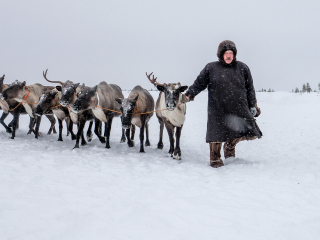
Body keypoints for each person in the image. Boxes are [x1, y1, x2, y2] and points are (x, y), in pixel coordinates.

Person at [185, 40, 262, 168]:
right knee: (216, 133)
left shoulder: (242, 68)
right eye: (225, 53)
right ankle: (215, 158)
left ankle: (230, 145)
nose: (228, 56)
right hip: (217, 107)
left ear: (234, 54)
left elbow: (250, 88)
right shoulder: (211, 68)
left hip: (238, 107)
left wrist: (253, 105)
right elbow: (199, 83)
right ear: (220, 55)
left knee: (251, 131)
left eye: (231, 53)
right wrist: (189, 94)